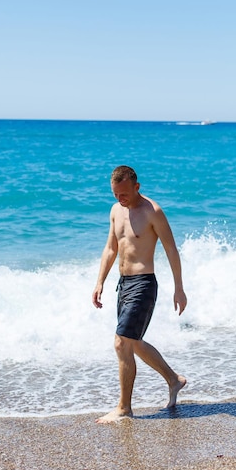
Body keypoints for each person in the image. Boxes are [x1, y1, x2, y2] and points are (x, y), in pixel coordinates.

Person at [92, 165, 187, 423]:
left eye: (124, 194)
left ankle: (124, 408)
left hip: (144, 284)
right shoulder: (115, 211)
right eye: (115, 194)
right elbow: (111, 248)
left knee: (121, 342)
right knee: (132, 342)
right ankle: (173, 379)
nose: (120, 199)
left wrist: (179, 288)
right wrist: (100, 281)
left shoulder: (152, 212)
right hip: (123, 284)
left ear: (136, 187)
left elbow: (171, 249)